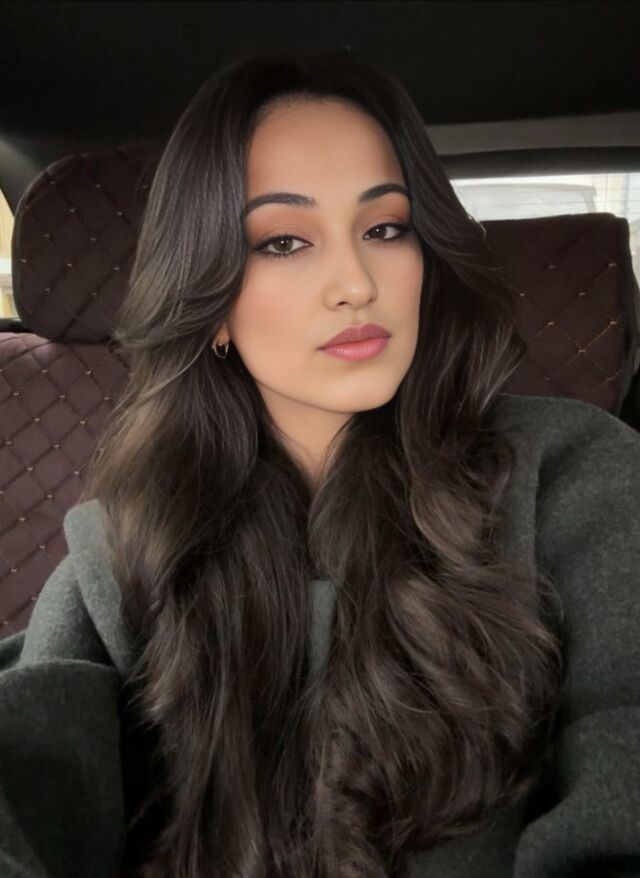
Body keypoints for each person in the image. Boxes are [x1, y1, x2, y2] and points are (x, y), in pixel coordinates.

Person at [1, 48, 639, 878]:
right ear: (211, 303)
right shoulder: (125, 552)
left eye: (385, 229)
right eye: (284, 241)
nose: (356, 282)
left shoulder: (574, 477)